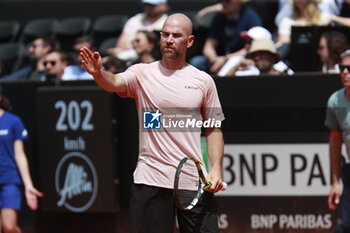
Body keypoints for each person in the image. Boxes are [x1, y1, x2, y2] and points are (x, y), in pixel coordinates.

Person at [80, 13, 225, 233]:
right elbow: (114, 83)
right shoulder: (141, 73)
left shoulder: (204, 81)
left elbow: (214, 127)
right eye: (165, 34)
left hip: (193, 181)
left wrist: (216, 168)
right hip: (151, 179)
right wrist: (98, 73)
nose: (169, 39)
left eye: (176, 35)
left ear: (190, 41)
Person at [0, 86, 43, 233]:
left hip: (9, 179)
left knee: (9, 227)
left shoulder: (13, 121)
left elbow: (20, 155)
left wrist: (28, 186)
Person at [189, 0, 262, 74]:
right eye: (221, 1)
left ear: (238, 2)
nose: (223, 4)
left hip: (241, 58)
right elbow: (208, 47)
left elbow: (254, 47)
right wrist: (214, 59)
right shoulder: (219, 18)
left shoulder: (250, 17)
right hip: (219, 58)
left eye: (227, 1)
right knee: (197, 62)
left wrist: (226, 59)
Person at [325, 49, 350, 233]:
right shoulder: (335, 101)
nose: (344, 72)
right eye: (342, 68)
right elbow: (335, 142)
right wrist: (335, 183)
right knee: (343, 226)